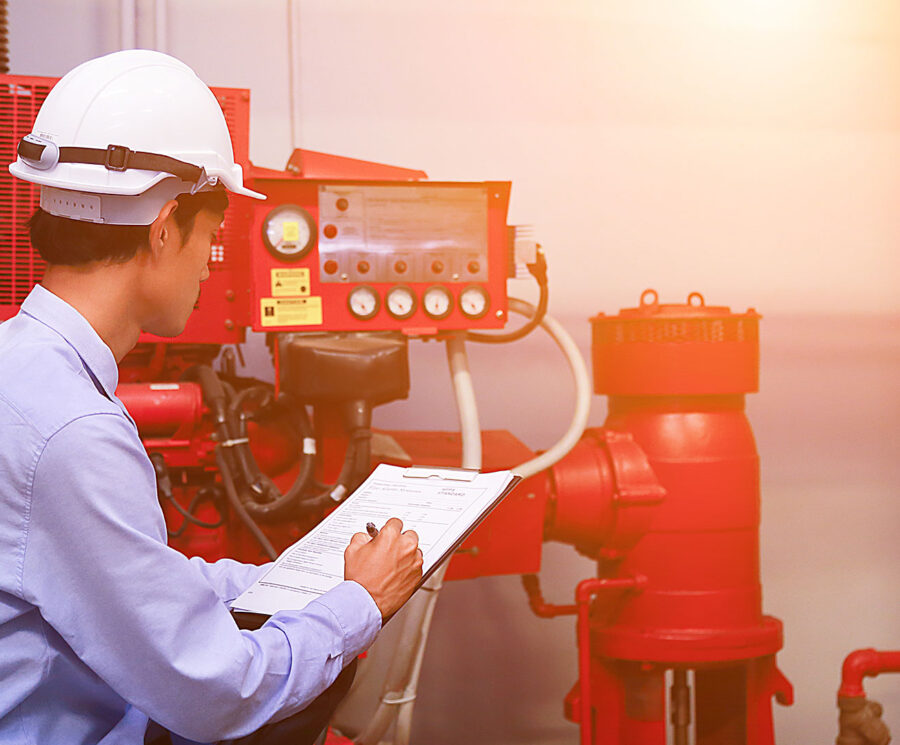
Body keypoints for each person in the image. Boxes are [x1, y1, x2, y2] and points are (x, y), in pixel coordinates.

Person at [0, 50, 423, 745]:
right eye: (213, 238)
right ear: (165, 226)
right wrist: (360, 602)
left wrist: (285, 577)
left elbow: (131, 572)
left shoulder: (21, 366)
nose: (210, 264)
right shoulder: (73, 431)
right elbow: (214, 691)